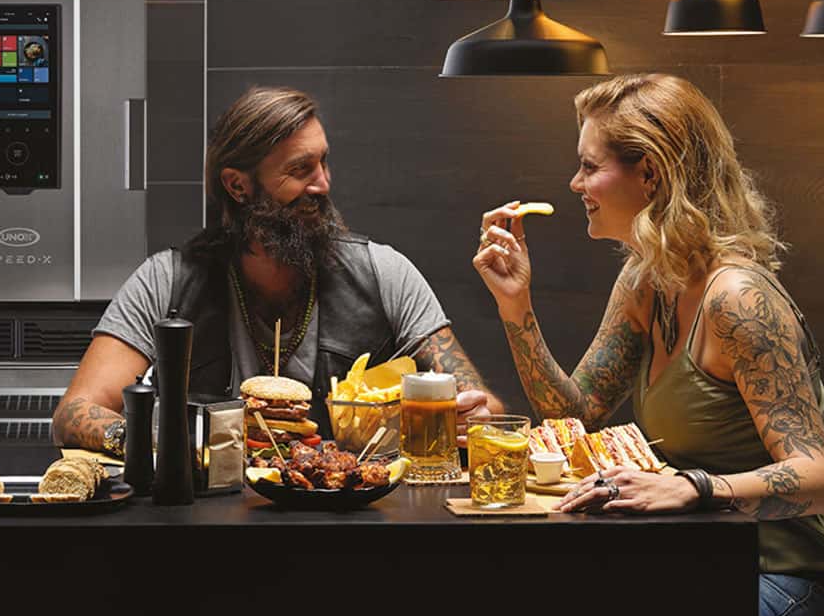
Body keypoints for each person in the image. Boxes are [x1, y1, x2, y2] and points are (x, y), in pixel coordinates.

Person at [473, 72, 824, 616]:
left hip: (819, 599)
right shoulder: (646, 281)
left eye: (588, 166)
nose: (575, 185)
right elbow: (573, 415)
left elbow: (817, 479)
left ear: (650, 174)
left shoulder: (737, 298)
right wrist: (516, 306)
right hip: (729, 568)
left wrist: (691, 488)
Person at [54, 85, 503, 456]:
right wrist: (167, 441)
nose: (323, 184)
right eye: (300, 169)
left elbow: (487, 409)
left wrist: (472, 419)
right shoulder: (165, 280)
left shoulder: (385, 272)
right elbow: (75, 412)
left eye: (323, 162)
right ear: (238, 185)